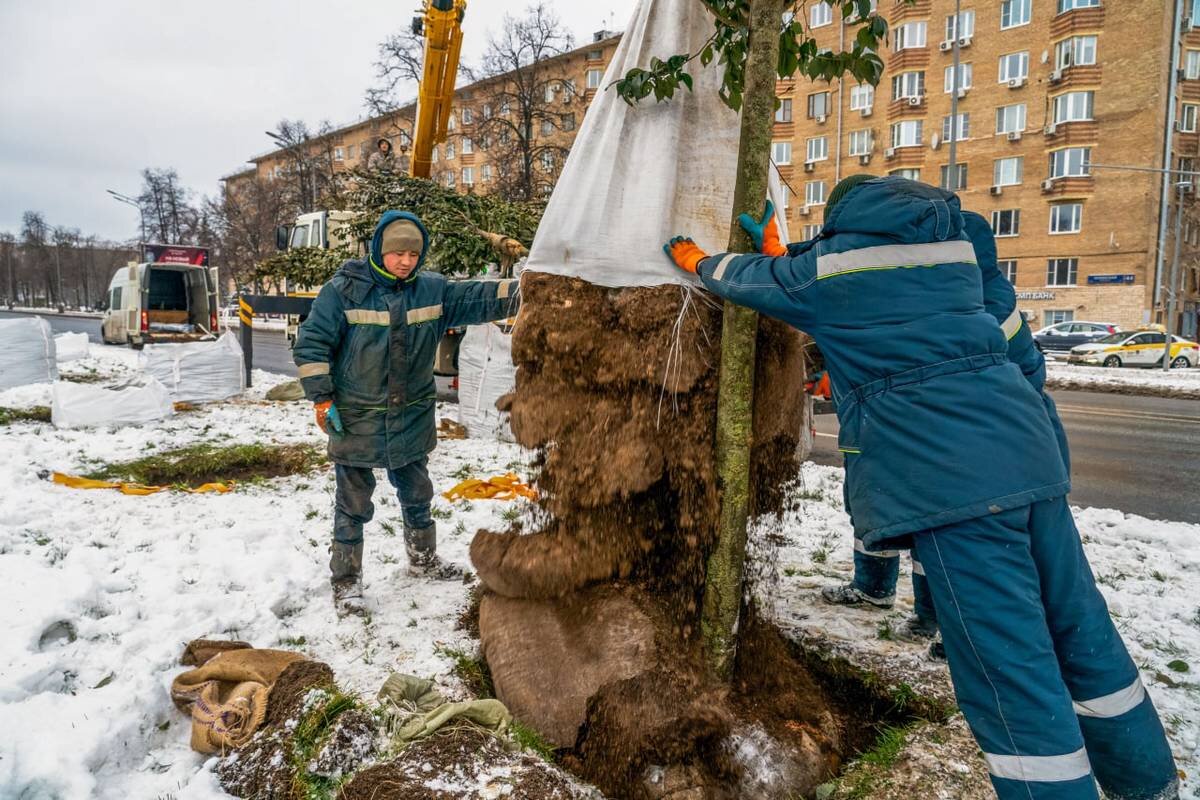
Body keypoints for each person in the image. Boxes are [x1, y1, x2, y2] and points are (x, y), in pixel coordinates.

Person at [664, 176, 1178, 800]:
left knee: (1008, 670)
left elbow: (748, 281)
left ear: (844, 221)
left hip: (955, 485)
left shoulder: (831, 272)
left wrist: (701, 260)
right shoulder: (954, 255)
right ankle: (1146, 784)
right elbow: (892, 313)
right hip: (1029, 453)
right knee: (1080, 629)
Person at [819, 204, 1074, 653]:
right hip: (906, 433)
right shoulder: (946, 292)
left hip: (962, 445)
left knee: (938, 531)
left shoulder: (977, 305)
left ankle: (939, 620)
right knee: (877, 507)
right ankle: (877, 589)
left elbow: (1021, 374)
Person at [294, 210, 520, 616]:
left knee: (418, 493)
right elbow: (311, 345)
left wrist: (534, 288)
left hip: (410, 415)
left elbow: (480, 297)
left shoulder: (431, 291)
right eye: (398, 253)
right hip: (357, 415)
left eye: (413, 255)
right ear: (380, 249)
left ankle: (423, 560)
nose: (405, 262)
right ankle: (346, 582)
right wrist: (321, 398)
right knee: (353, 502)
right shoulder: (344, 291)